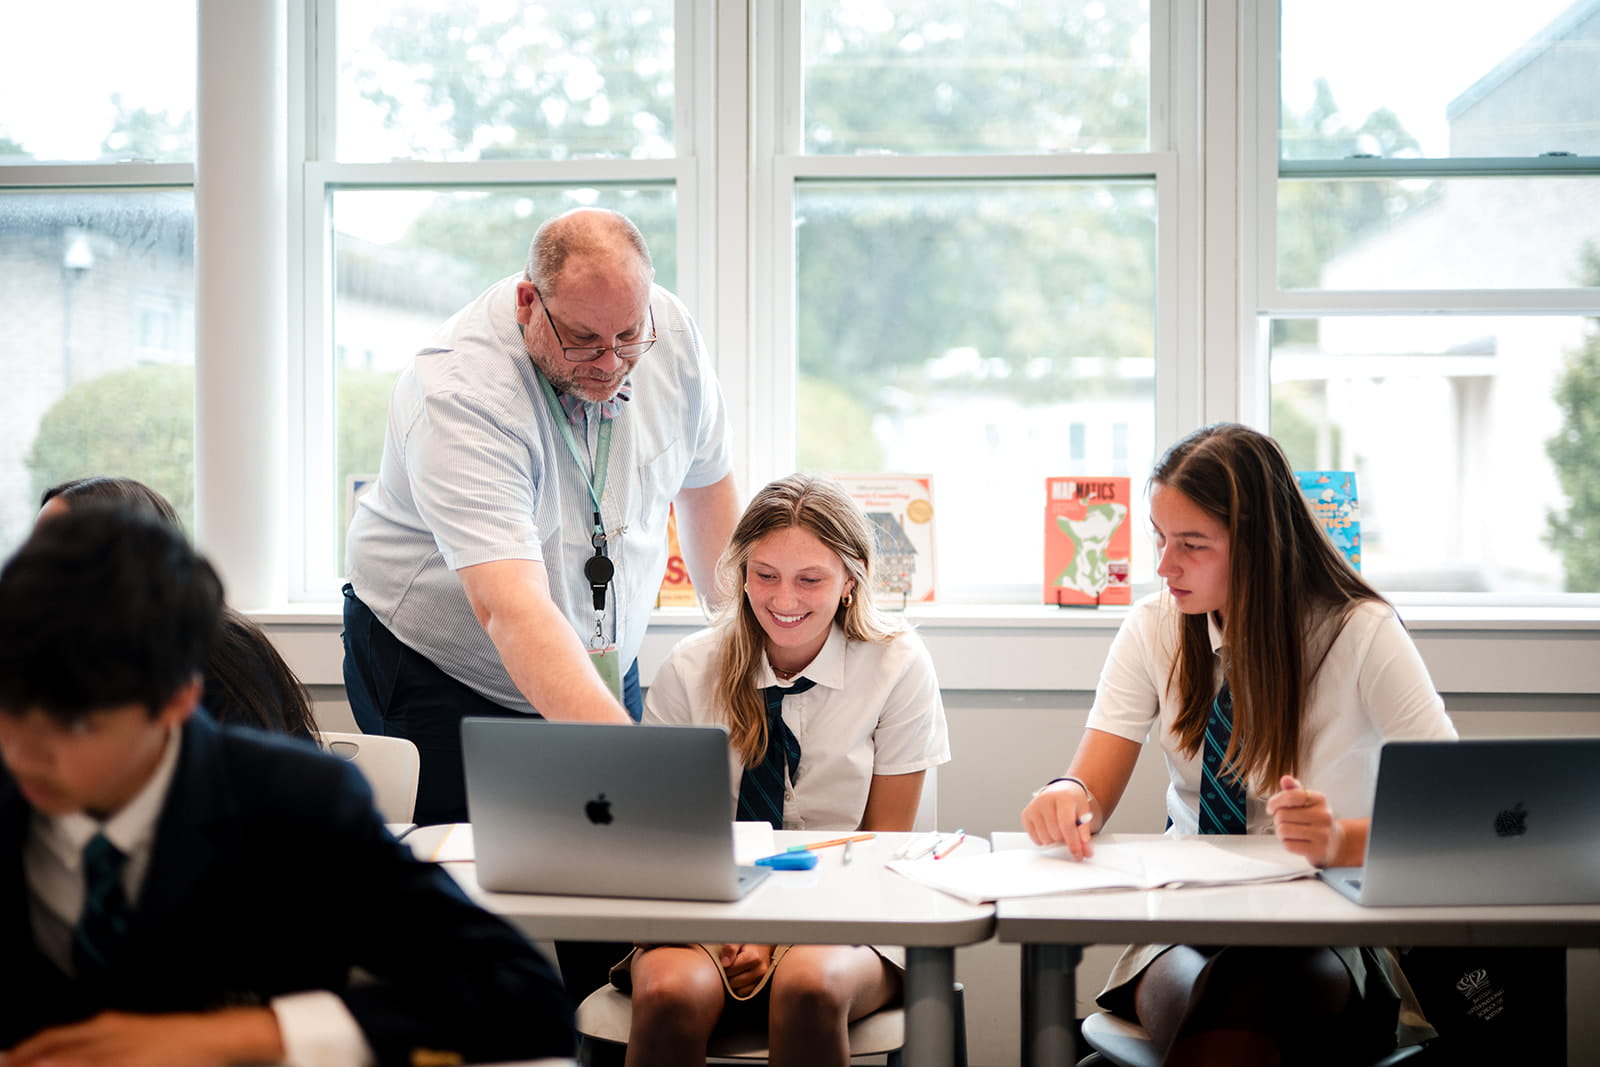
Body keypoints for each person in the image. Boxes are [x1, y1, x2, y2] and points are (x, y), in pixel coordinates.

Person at [0, 504, 573, 1066]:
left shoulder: (292, 801)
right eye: (10, 710)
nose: (23, 752)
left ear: (177, 698)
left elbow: (520, 998)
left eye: (74, 725)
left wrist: (250, 1034)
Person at [1020, 423, 1458, 1067]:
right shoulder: (1154, 628)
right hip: (1184, 923)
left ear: (1259, 543)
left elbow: (1454, 812)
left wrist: (1339, 841)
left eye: (1191, 544)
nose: (1165, 566)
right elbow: (1092, 786)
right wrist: (1065, 795)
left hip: (1328, 922)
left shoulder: (1359, 632)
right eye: (1159, 539)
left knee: (1234, 1013)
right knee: (1217, 1007)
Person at [342, 206, 740, 830]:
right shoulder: (460, 389)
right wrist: (633, 765)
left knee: (620, 875)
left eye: (628, 337)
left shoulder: (671, 333)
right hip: (446, 663)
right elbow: (511, 607)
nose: (610, 363)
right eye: (583, 340)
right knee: (468, 889)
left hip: (602, 647)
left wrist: (745, 648)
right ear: (529, 302)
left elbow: (706, 486)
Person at [619, 474, 950, 1067]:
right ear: (741, 572)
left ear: (851, 581)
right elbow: (663, 842)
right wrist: (737, 923)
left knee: (809, 989)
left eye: (810, 579)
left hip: (848, 909)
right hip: (709, 910)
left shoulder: (897, 664)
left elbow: (881, 849)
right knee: (668, 994)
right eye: (765, 574)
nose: (785, 599)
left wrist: (777, 926)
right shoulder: (691, 668)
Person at [39, 476, 318, 741]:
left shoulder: (224, 651)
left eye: (55, 544)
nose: (35, 559)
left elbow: (249, 782)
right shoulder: (61, 643)